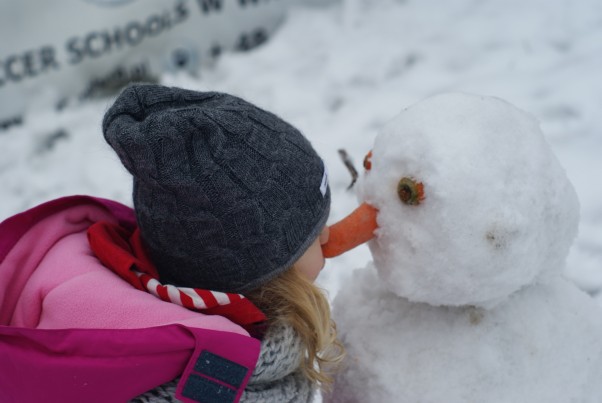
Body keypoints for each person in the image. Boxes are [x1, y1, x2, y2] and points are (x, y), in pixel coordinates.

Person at [100, 84, 345, 402]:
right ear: (261, 269)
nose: (327, 235)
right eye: (312, 233)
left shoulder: (259, 363)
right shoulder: (228, 389)